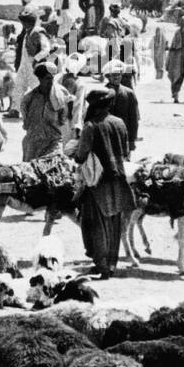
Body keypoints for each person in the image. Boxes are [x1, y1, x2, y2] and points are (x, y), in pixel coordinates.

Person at [72, 88, 135, 280]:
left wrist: (75, 153)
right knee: (114, 223)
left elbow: (81, 156)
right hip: (119, 179)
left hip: (98, 182)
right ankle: (111, 264)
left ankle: (101, 265)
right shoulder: (119, 123)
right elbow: (124, 151)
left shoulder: (91, 126)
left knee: (95, 224)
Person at [21, 63, 70, 160]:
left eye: (52, 78)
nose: (51, 81)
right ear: (40, 79)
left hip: (53, 142)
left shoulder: (61, 95)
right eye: (47, 78)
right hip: (33, 144)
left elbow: (63, 119)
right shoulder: (29, 98)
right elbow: (26, 123)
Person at [11, 9, 48, 116]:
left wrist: (36, 59)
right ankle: (15, 109)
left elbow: (46, 49)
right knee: (18, 86)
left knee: (37, 87)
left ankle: (44, 111)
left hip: (33, 66)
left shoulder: (38, 32)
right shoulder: (27, 32)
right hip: (24, 65)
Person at [103, 60, 140, 150]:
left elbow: (134, 119)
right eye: (113, 75)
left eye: (118, 74)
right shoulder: (102, 92)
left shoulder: (129, 93)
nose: (116, 77)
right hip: (106, 136)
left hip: (123, 136)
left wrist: (132, 140)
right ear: (108, 76)